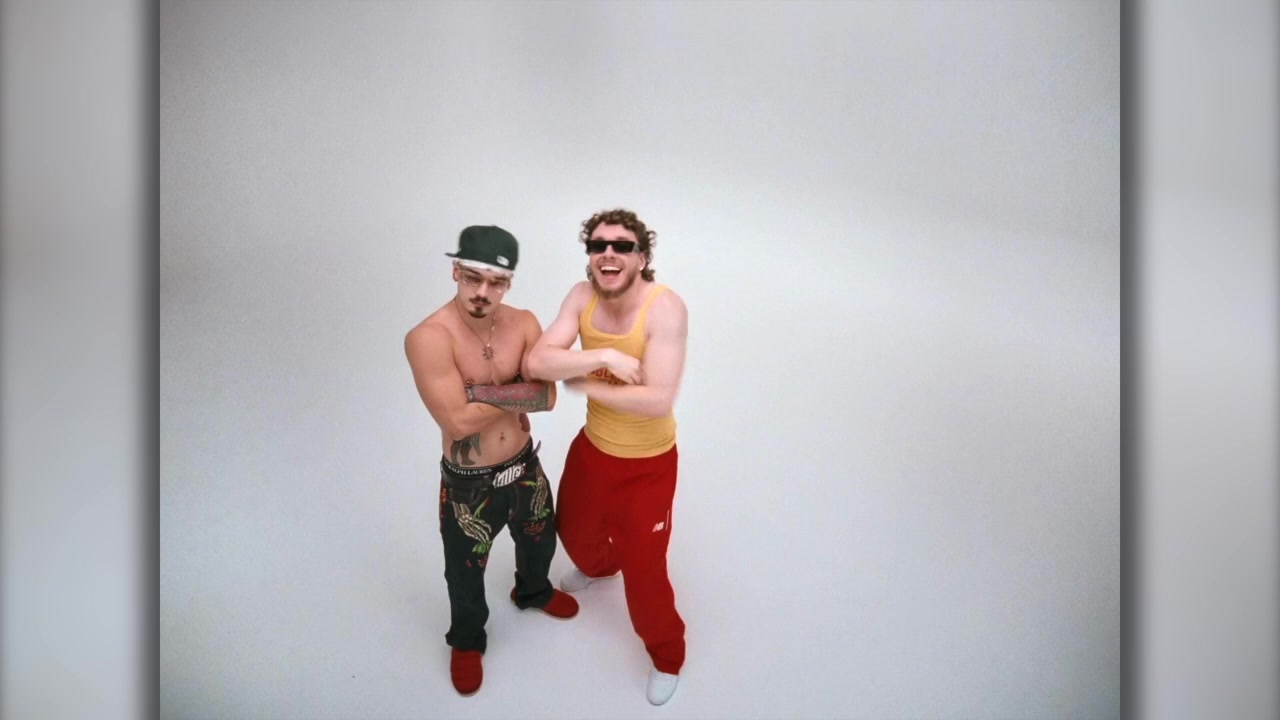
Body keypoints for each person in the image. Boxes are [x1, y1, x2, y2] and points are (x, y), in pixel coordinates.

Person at [404, 225, 579, 697]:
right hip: (470, 483)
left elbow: (547, 398)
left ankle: (533, 591)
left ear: (509, 282)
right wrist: (516, 391)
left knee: (541, 540)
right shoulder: (428, 337)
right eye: (473, 278)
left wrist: (478, 392)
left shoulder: (523, 323)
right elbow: (458, 422)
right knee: (464, 570)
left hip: (524, 466)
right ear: (455, 271)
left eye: (496, 282)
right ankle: (467, 640)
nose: (483, 291)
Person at [527, 208, 689, 706]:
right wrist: (603, 357)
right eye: (599, 246)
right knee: (573, 534)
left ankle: (668, 656)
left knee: (646, 573)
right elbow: (537, 361)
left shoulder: (665, 308)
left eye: (622, 246)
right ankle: (602, 568)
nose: (609, 254)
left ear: (642, 257)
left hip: (647, 465)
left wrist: (582, 382)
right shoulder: (581, 296)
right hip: (593, 450)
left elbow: (658, 398)